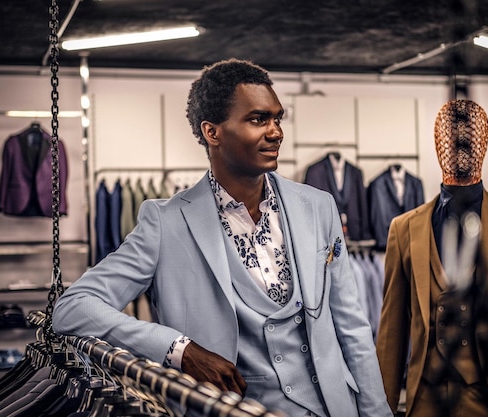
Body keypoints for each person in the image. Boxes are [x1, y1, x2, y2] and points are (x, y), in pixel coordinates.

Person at [53, 58, 392, 417]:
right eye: (258, 119)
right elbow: (72, 308)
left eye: (278, 118)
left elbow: (352, 326)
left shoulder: (317, 206)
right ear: (212, 132)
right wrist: (180, 350)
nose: (275, 132)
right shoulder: (166, 223)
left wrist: (378, 412)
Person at [375, 99, 488, 417]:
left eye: (470, 134)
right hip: (426, 402)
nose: (461, 145)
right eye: (451, 134)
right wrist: (381, 406)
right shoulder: (403, 228)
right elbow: (392, 330)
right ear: (437, 144)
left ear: (485, 143)